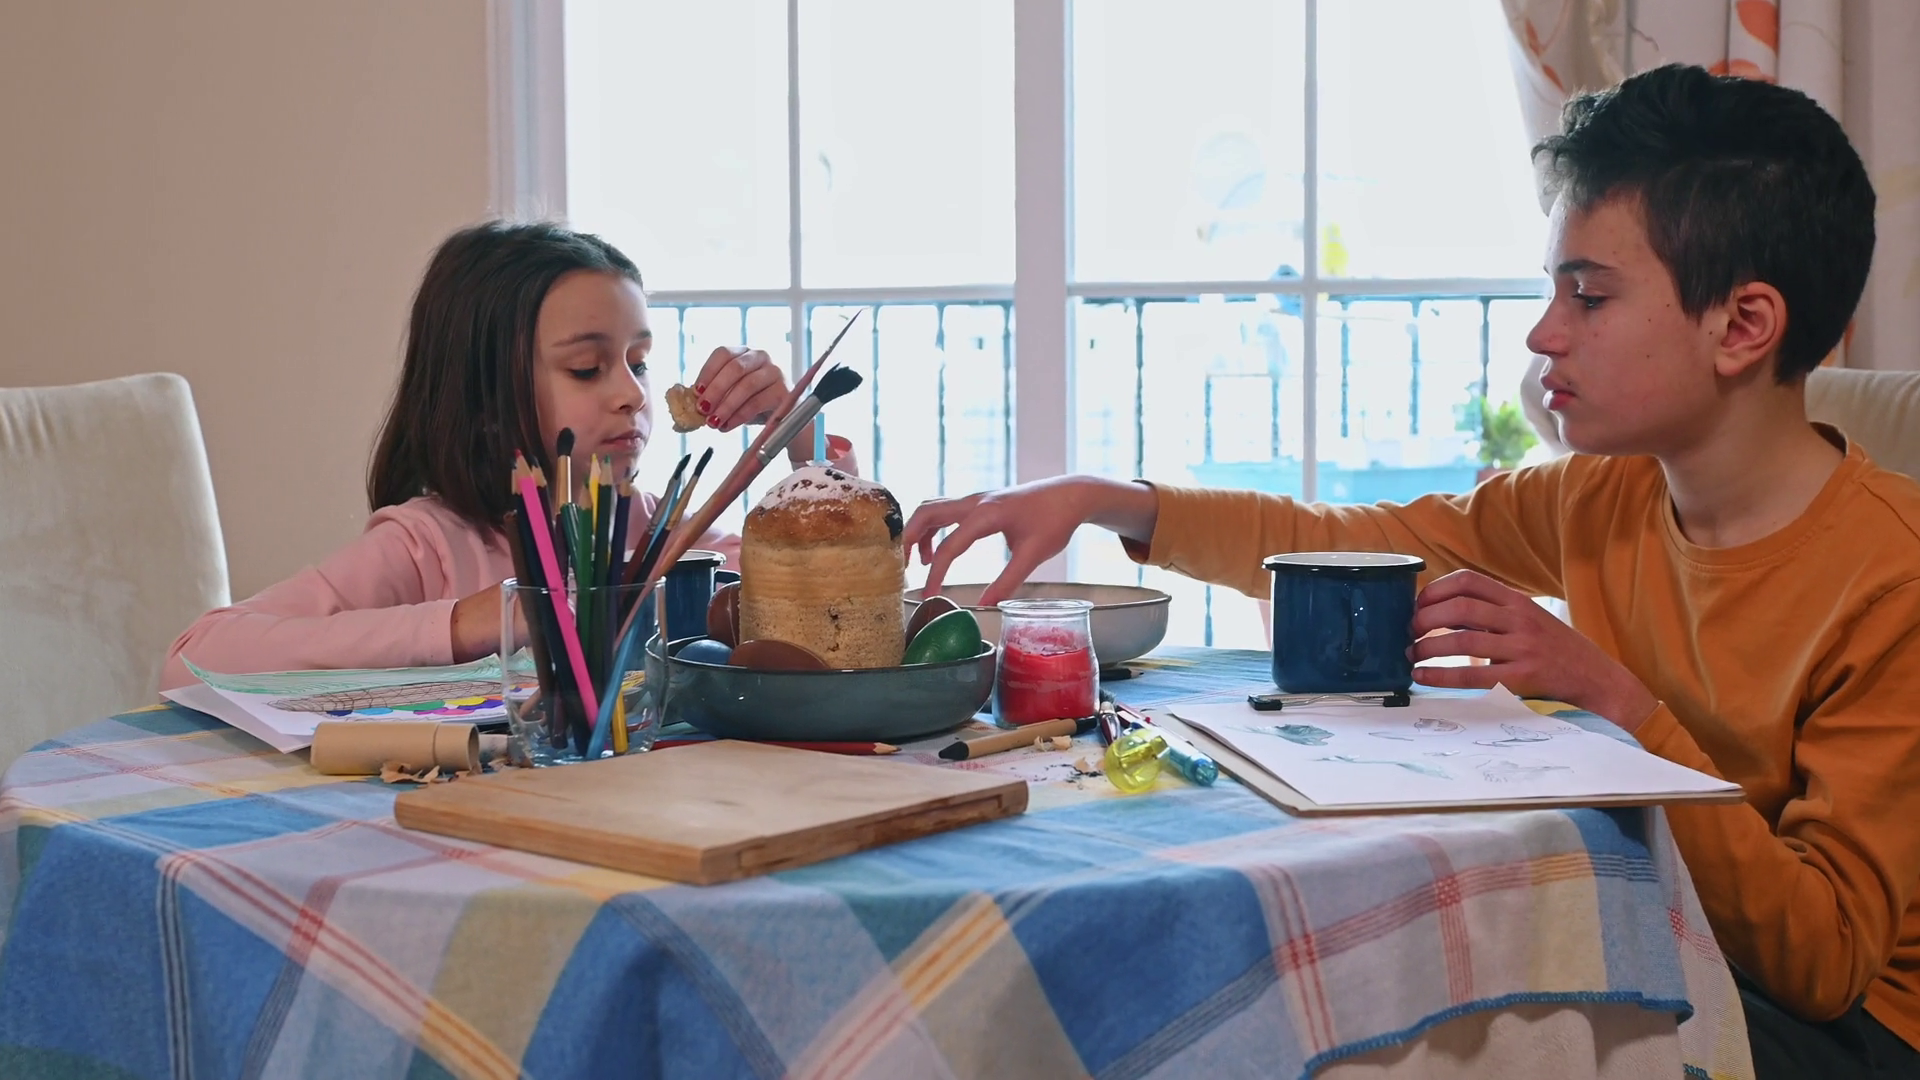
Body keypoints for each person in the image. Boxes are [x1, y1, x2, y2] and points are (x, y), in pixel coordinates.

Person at [903, 65, 1920, 1078]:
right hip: (1662, 926)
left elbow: (1823, 960)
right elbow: (1359, 537)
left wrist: (1613, 701)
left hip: (1843, 1033)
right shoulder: (1602, 496)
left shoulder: (1894, 581)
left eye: (1589, 295)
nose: (1544, 333)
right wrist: (1105, 499)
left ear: (1743, 327)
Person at [162, 221, 853, 688]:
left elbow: (843, 596)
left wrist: (799, 436)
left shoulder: (655, 526)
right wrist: (469, 622)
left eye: (639, 362)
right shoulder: (428, 545)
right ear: (486, 394)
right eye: (586, 368)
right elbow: (195, 656)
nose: (631, 395)